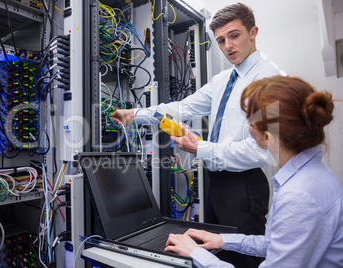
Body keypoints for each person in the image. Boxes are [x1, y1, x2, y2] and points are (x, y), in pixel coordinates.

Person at [111, 3, 280, 267]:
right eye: (221, 40)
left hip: (244, 186)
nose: (227, 46)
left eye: (234, 36)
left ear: (253, 32)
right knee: (215, 252)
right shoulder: (224, 79)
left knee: (242, 260)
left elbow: (261, 150)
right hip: (217, 182)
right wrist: (135, 114)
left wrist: (201, 149)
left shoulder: (269, 80)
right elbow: (183, 108)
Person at [163, 75, 343, 268]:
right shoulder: (310, 177)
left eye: (249, 122)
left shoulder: (299, 196)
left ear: (268, 137)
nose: (248, 129)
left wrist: (196, 254)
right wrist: (223, 240)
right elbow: (272, 243)